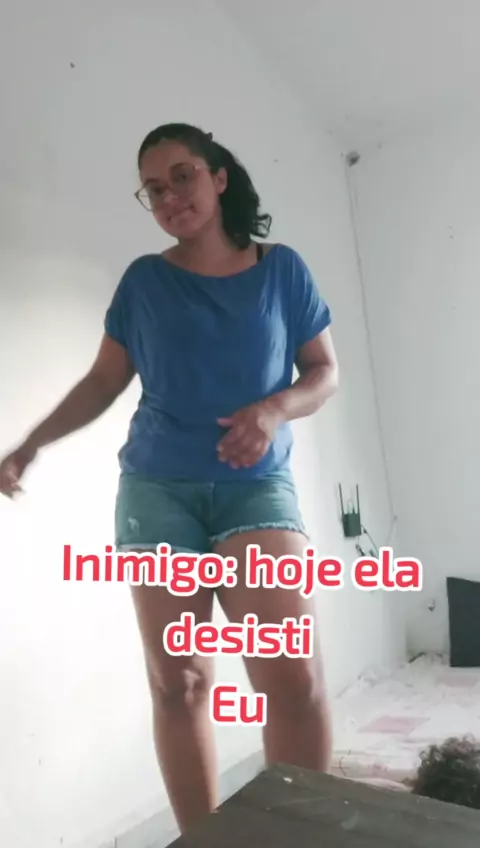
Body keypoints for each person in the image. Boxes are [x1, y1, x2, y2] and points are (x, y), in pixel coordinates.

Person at [0, 123, 339, 832]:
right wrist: (31, 444)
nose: (169, 197)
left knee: (292, 677)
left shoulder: (282, 271)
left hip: (256, 486)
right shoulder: (144, 283)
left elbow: (323, 371)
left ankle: (302, 839)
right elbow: (103, 381)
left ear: (218, 177)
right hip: (155, 494)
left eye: (182, 176)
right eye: (153, 190)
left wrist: (274, 409)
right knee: (178, 684)